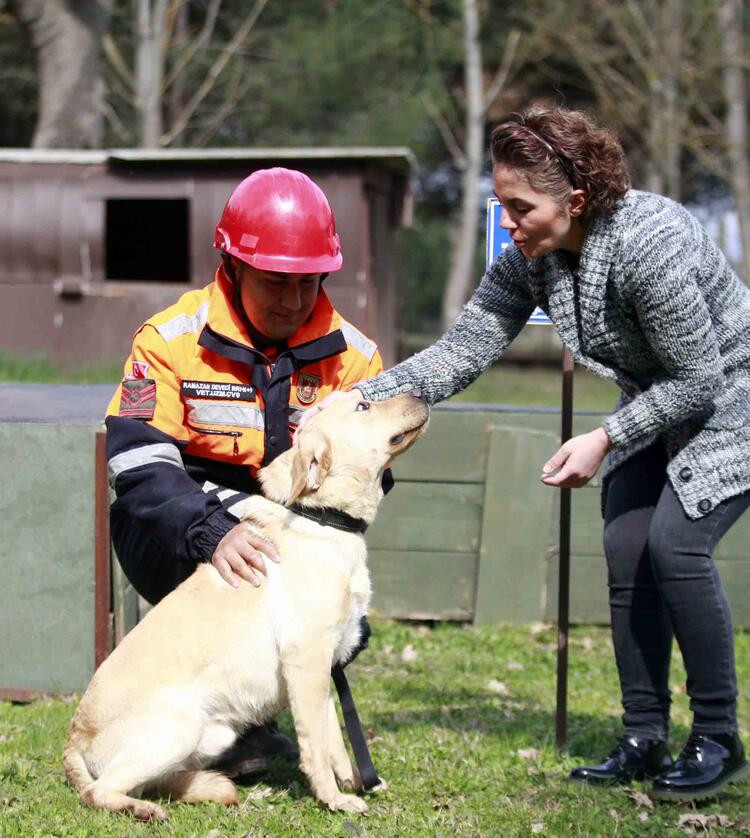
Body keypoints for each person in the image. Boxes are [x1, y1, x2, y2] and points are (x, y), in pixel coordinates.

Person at [309, 106, 750, 801]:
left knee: (674, 547)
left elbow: (699, 380)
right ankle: (643, 737)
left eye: (521, 207)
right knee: (626, 547)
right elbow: (463, 349)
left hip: (733, 401)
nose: (508, 223)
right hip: (655, 398)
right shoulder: (531, 260)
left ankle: (718, 739)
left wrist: (606, 437)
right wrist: (359, 403)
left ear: (574, 200)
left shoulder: (652, 243)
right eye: (501, 204)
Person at [105, 167, 383, 771]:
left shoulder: (356, 357)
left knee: (340, 609)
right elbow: (138, 463)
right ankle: (204, 715)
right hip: (170, 526)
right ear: (231, 268)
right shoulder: (170, 338)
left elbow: (366, 479)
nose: (293, 300)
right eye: (275, 281)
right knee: (245, 555)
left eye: (308, 282)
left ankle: (248, 720)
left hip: (291, 530)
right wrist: (211, 530)